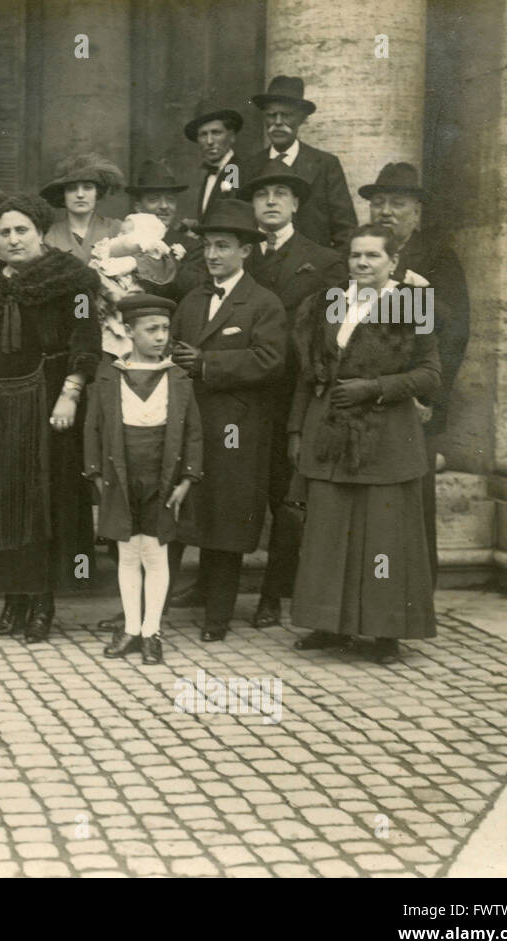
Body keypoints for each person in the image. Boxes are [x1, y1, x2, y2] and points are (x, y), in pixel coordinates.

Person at [287, 223, 440, 663]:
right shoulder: (328, 302)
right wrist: (297, 430)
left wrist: (374, 387)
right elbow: (309, 373)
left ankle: (385, 632)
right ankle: (328, 623)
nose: (362, 263)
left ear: (393, 261)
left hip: (386, 436)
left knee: (384, 538)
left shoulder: (412, 305)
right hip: (331, 431)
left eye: (373, 256)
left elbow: (431, 375)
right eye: (356, 255)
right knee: (329, 530)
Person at [0, 192, 101, 643]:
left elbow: (86, 338)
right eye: (4, 232)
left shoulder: (73, 280)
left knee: (45, 503)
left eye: (22, 230)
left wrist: (71, 393)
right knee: (1, 502)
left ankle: (42, 602)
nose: (13, 239)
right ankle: (12, 599)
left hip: (48, 405)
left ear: (40, 232)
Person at [167, 199, 286, 641]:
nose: (213, 255)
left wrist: (208, 365)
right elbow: (174, 347)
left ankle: (217, 618)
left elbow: (271, 361)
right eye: (208, 246)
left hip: (237, 430)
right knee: (177, 514)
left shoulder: (263, 303)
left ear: (245, 251)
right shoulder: (193, 299)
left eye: (223, 246)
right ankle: (150, 612)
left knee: (226, 521)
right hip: (191, 424)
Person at [239, 159, 345, 628]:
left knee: (287, 498)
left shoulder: (323, 261)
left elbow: (332, 334)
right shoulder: (239, 255)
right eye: (262, 195)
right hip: (241, 394)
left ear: (297, 203)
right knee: (236, 487)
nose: (271, 202)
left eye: (281, 194)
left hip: (291, 398)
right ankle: (211, 582)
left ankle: (273, 593)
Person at [360, 162, 470, 587]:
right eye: (378, 202)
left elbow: (455, 335)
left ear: (418, 213)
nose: (385, 211)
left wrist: (430, 400)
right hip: (366, 397)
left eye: (398, 203)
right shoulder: (359, 255)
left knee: (411, 498)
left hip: (414, 400)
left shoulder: (439, 259)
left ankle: (415, 591)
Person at [85, 295, 202, 664]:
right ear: (129, 332)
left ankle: (152, 631)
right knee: (127, 553)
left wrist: (186, 479)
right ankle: (131, 628)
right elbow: (93, 427)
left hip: (161, 478)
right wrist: (96, 474)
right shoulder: (109, 376)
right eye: (151, 330)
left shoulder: (178, 377)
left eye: (165, 329)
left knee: (155, 554)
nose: (160, 337)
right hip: (121, 476)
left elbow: (193, 432)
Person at [244, 76, 357, 251]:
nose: (278, 122)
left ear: (302, 119)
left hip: (315, 271)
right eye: (271, 115)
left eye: (287, 115)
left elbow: (346, 231)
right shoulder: (249, 166)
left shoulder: (325, 165)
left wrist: (333, 272)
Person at [125, 159, 208, 301]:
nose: (164, 206)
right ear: (138, 207)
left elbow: (195, 290)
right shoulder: (125, 242)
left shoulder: (193, 247)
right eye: (153, 199)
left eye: (170, 199)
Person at [39, 153, 125, 263]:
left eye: (87, 188)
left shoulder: (115, 229)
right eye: (72, 189)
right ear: (63, 196)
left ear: (97, 194)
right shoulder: (50, 236)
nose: (80, 194)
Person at [183, 102, 247, 226]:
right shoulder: (210, 173)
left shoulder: (234, 170)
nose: (209, 141)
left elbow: (231, 218)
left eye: (216, 133)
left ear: (232, 136)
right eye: (203, 134)